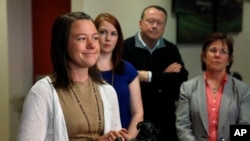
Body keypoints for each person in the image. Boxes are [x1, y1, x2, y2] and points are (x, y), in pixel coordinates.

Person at [17, 11, 124, 141]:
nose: (91, 45)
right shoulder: (42, 92)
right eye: (82, 38)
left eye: (95, 38)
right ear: (63, 44)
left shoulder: (108, 92)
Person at [122, 5, 189, 141]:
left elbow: (181, 80)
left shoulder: (170, 49)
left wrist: (146, 76)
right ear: (140, 24)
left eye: (160, 23)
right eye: (150, 21)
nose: (154, 26)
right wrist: (164, 76)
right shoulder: (125, 48)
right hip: (136, 122)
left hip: (166, 122)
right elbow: (124, 82)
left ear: (164, 27)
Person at [175, 32, 250, 141]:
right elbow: (182, 126)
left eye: (223, 51)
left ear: (229, 59)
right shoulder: (187, 88)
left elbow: (244, 125)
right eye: (213, 50)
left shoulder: (243, 90)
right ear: (204, 57)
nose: (217, 55)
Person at [94, 13, 143, 140]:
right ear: (94, 35)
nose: (108, 38)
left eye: (113, 34)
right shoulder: (84, 69)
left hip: (123, 136)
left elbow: (137, 113)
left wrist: (129, 138)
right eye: (103, 32)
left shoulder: (128, 69)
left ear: (118, 38)